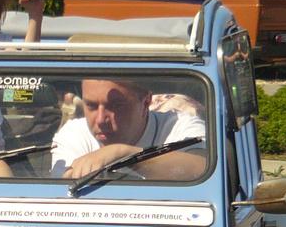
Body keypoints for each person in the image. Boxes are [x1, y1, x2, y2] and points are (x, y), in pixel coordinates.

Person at [49, 76, 206, 180]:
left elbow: (203, 170)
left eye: (116, 105)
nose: (101, 119)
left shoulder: (180, 127)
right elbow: (65, 193)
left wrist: (122, 154)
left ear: (145, 103)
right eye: (91, 105)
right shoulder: (74, 134)